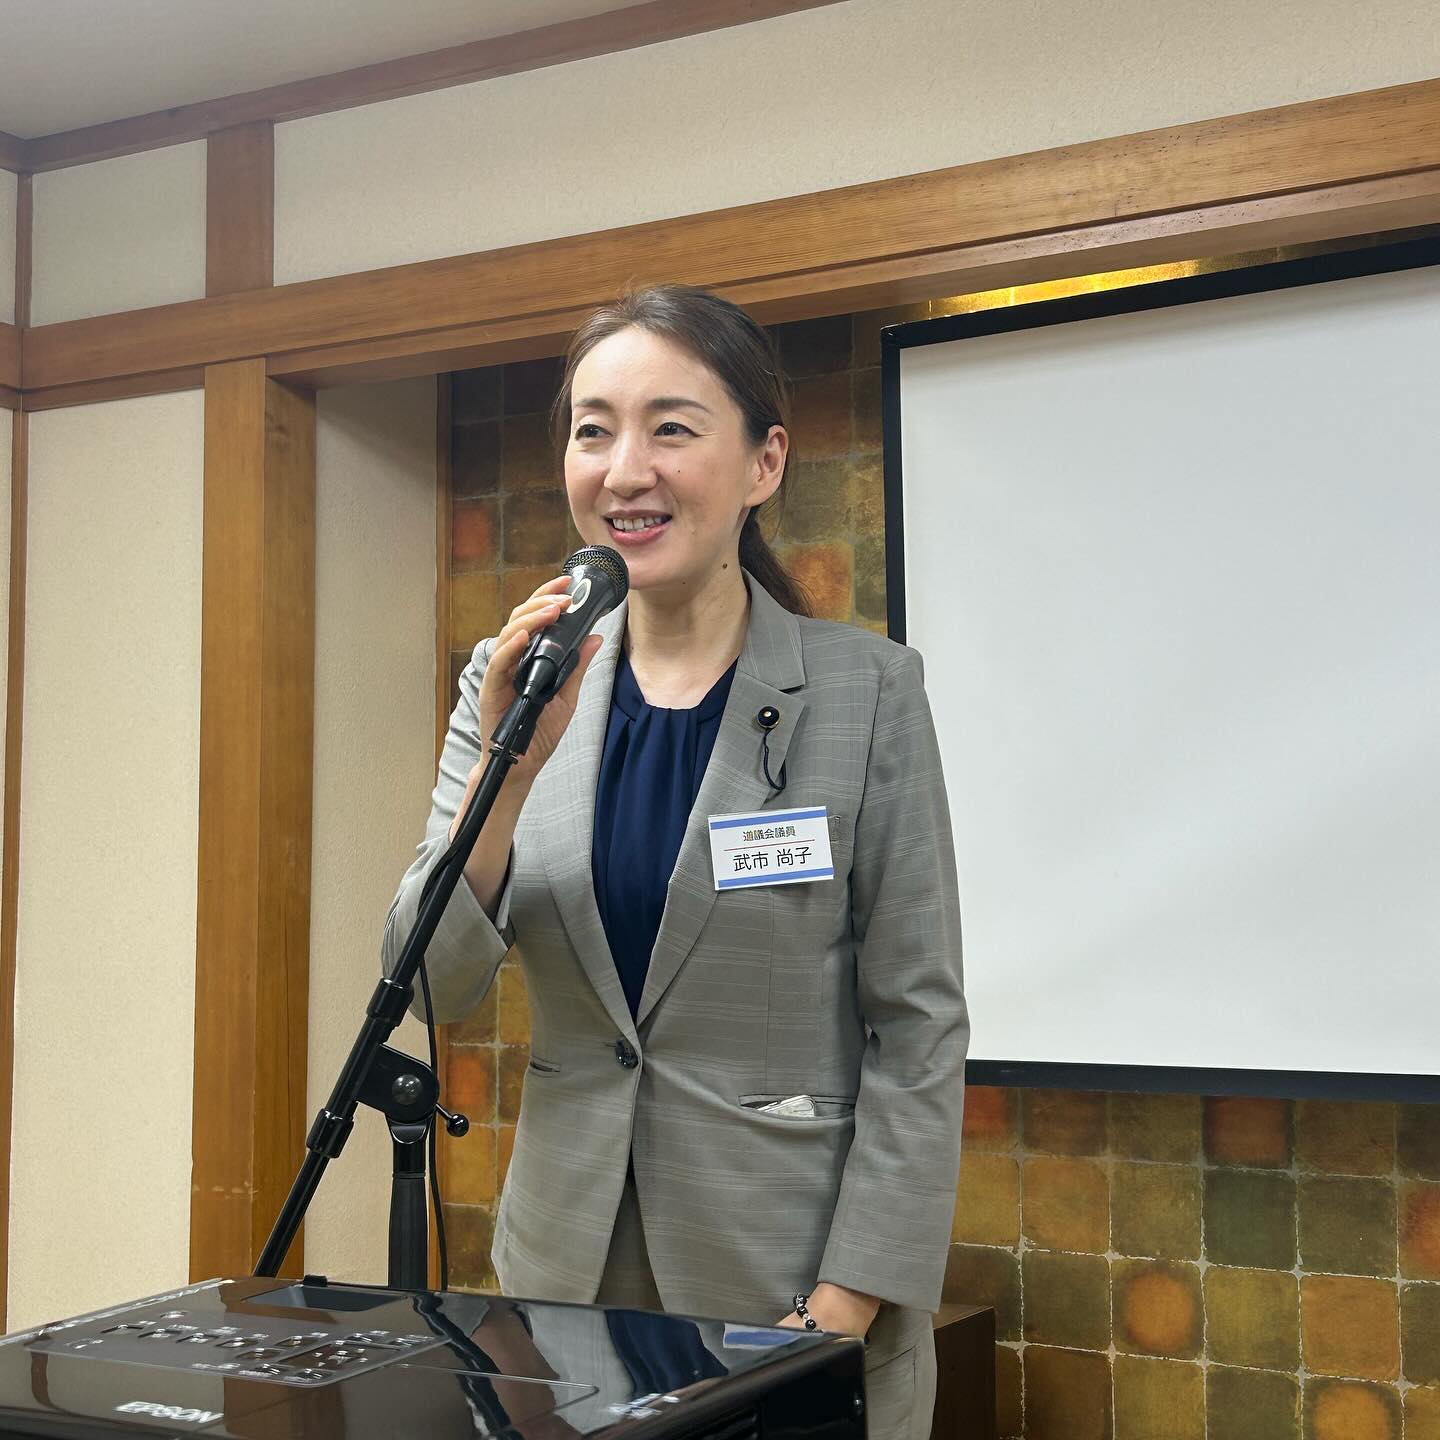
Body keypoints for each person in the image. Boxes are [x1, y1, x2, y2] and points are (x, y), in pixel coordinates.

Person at [384, 285, 968, 1440]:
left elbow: (919, 1024)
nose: (624, 471)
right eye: (593, 430)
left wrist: (844, 1302)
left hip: (791, 1296)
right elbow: (430, 986)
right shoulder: (513, 684)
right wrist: (509, 770)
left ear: (763, 463)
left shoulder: (866, 693)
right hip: (562, 1296)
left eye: (671, 429)